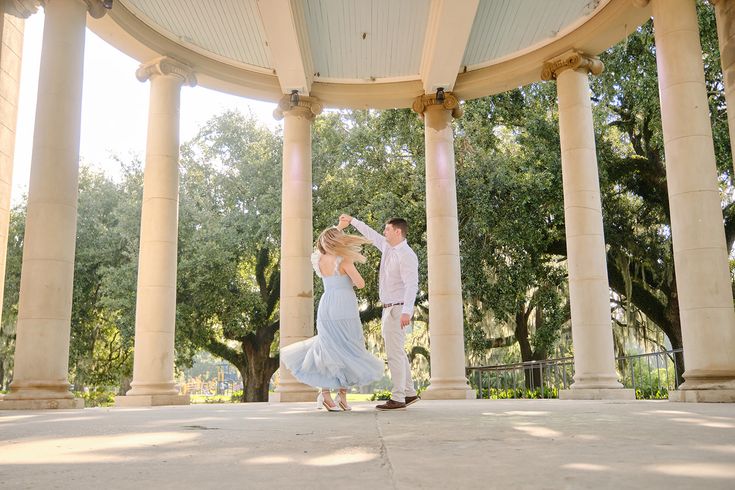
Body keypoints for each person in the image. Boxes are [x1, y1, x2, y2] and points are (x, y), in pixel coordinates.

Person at [280, 226, 384, 411]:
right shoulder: (344, 260)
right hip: (344, 306)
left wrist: (338, 227)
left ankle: (325, 394)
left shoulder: (318, 259)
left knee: (327, 348)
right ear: (338, 241)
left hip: (327, 304)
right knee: (349, 346)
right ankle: (342, 396)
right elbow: (360, 284)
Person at [338, 214, 420, 411]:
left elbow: (411, 285)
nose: (384, 232)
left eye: (387, 230)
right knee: (398, 352)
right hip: (388, 308)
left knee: (394, 355)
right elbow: (371, 234)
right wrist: (353, 221)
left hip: (398, 308)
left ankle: (398, 397)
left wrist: (407, 311)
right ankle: (408, 393)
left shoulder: (407, 255)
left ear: (398, 232)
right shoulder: (386, 246)